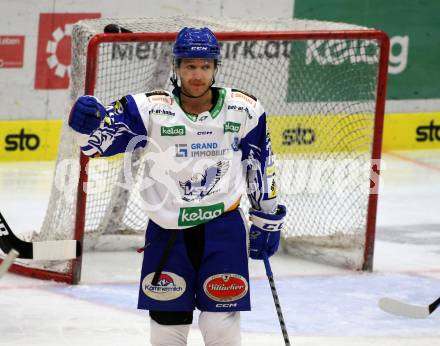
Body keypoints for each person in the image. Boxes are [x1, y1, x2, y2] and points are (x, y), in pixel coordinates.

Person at [68, 26, 286, 346]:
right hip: (167, 230)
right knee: (167, 325)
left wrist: (268, 219)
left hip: (222, 228)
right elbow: (97, 145)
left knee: (221, 324)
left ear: (215, 68)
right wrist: (86, 124)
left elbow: (260, 164)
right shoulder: (149, 108)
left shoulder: (245, 109)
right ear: (177, 67)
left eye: (205, 66)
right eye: (189, 66)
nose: (197, 75)